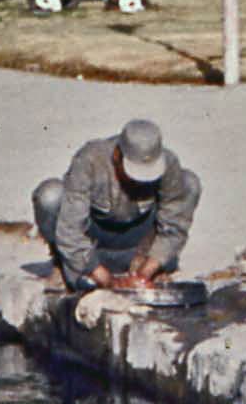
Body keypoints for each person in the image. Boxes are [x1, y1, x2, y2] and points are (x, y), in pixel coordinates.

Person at [32, 119, 201, 291]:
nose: (138, 182)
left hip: (138, 245)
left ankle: (151, 265)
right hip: (93, 244)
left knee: (189, 183)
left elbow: (174, 226)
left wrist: (146, 272)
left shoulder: (168, 163)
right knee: (50, 195)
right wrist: (104, 279)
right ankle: (65, 265)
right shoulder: (90, 160)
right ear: (117, 156)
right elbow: (70, 229)